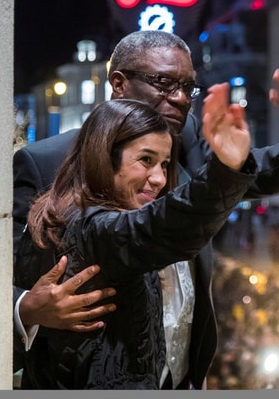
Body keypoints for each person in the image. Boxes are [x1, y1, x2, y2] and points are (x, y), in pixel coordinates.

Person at [13, 30, 279, 387]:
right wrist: (25, 309)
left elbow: (248, 174)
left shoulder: (186, 143)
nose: (181, 98)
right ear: (119, 83)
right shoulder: (46, 164)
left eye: (188, 87)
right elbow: (3, 274)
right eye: (165, 83)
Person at [15, 87, 254, 388]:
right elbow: (164, 227)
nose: (160, 179)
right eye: (145, 160)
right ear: (105, 157)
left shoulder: (68, 214)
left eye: (164, 163)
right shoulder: (90, 228)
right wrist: (226, 171)